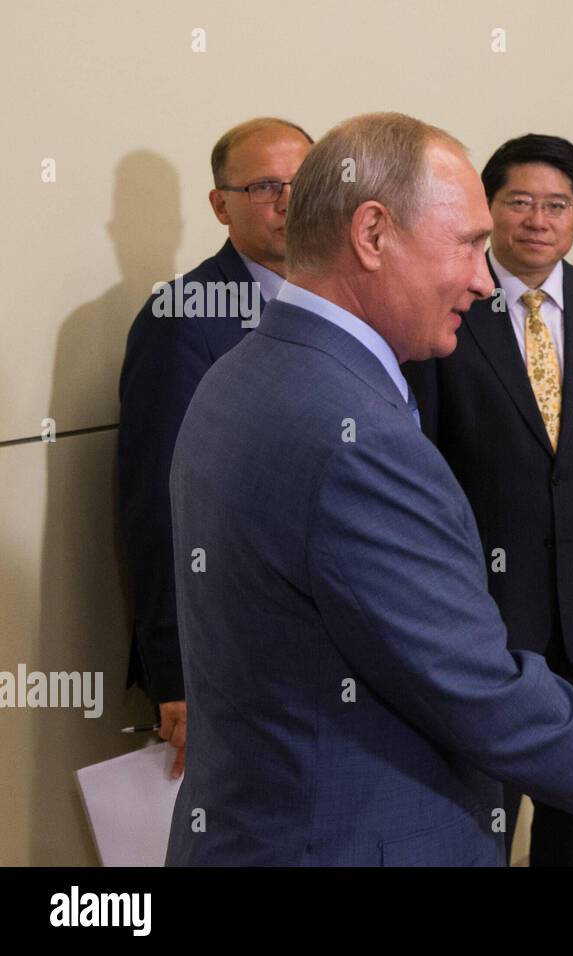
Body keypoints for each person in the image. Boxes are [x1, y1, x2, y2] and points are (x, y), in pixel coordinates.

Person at [164, 113, 573, 866]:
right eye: (467, 242)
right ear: (372, 234)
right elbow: (476, 689)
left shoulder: (238, 376)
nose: (479, 276)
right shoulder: (354, 436)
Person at [402, 134, 573, 866]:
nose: (538, 220)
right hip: (482, 601)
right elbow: (424, 453)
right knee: (481, 798)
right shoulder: (451, 304)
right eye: (519, 202)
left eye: (557, 205)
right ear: (490, 209)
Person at [118, 117, 312, 779]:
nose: (288, 201)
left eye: (303, 181)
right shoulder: (184, 318)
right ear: (218, 204)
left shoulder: (347, 300)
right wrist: (174, 672)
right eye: (265, 186)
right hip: (233, 646)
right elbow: (159, 506)